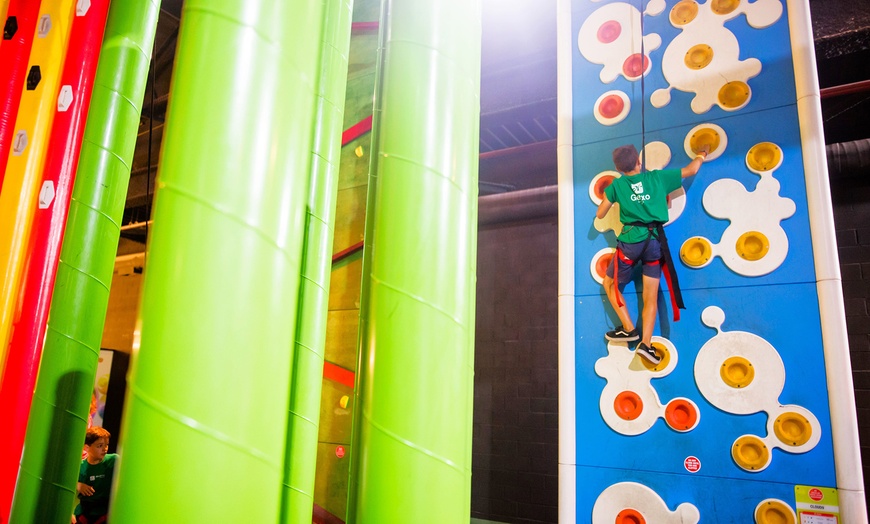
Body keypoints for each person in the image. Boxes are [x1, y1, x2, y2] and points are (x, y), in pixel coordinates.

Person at [596, 143, 709, 364]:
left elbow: (600, 214)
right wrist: (701, 154)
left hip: (631, 242)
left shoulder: (617, 186)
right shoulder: (658, 178)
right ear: (639, 162)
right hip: (655, 242)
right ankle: (645, 344)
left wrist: (620, 198)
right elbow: (692, 170)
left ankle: (629, 329)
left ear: (619, 169)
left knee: (610, 285)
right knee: (650, 296)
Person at [74, 427, 118, 524]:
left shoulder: (114, 460)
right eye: (100, 446)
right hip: (84, 514)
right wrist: (78, 485)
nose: (105, 449)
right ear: (86, 447)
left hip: (107, 513)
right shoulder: (79, 467)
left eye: (107, 445)